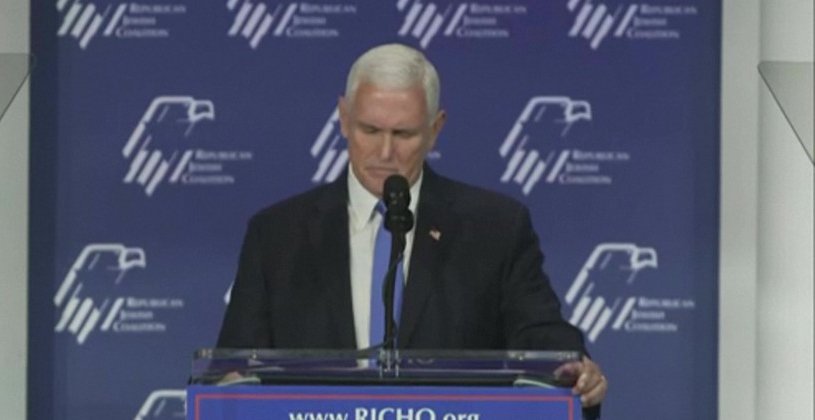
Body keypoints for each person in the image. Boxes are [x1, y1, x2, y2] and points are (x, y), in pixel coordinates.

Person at [218, 43, 607, 414]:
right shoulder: (277, 236)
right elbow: (233, 369)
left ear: (436, 128)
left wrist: (574, 371)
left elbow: (542, 337)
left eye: (403, 134)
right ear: (343, 118)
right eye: (370, 130)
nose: (385, 152)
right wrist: (228, 387)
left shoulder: (495, 229)